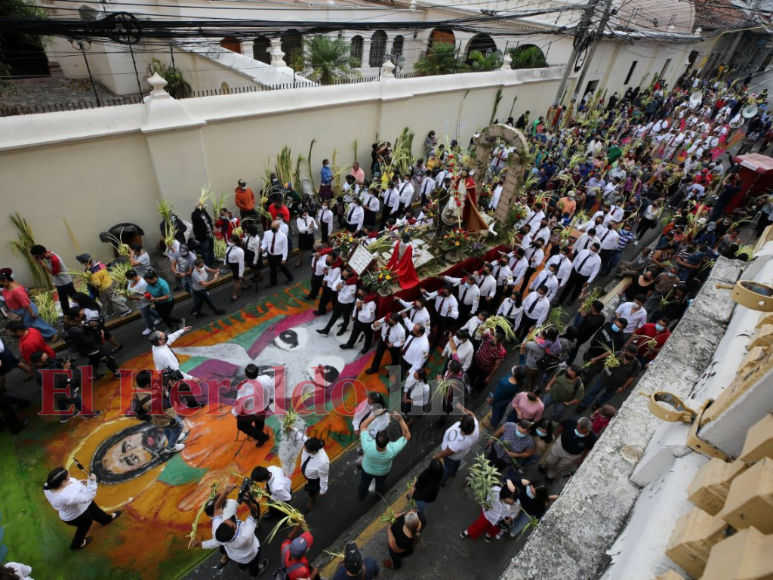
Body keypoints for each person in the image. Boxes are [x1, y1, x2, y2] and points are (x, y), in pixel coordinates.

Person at [196, 482, 268, 577]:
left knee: (242, 564)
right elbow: (255, 511)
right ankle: (254, 574)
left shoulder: (218, 532)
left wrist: (200, 544)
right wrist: (249, 502)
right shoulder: (246, 534)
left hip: (235, 556)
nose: (228, 518)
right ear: (234, 529)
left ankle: (242, 568)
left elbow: (216, 508)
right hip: (251, 555)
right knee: (253, 566)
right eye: (231, 521)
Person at [43, 466, 121, 550]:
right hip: (78, 515)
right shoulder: (67, 497)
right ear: (62, 482)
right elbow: (88, 497)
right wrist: (92, 481)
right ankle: (77, 544)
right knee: (85, 525)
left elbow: (68, 489)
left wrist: (78, 484)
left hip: (78, 508)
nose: (69, 474)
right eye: (67, 477)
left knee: (93, 508)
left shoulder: (48, 485)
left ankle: (106, 519)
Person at [359, 411, 411, 500]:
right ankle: (378, 496)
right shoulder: (392, 450)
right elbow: (407, 436)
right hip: (382, 472)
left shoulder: (367, 446)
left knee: (364, 483)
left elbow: (363, 426)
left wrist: (375, 414)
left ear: (375, 440)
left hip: (367, 470)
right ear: (388, 442)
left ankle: (362, 495)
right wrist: (401, 420)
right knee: (380, 485)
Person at [576, 344, 642, 412]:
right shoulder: (617, 354)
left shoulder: (637, 365)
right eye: (628, 353)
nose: (629, 356)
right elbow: (607, 362)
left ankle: (598, 403)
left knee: (606, 396)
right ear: (625, 350)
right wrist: (605, 368)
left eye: (631, 355)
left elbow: (632, 377)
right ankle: (584, 404)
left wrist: (623, 387)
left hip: (616, 385)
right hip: (604, 379)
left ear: (636, 354)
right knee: (593, 391)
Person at [134, 370, 187, 452]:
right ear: (147, 385)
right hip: (164, 416)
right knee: (179, 427)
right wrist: (171, 388)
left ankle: (172, 438)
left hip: (157, 417)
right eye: (153, 381)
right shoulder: (151, 401)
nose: (155, 381)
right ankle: (171, 447)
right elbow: (169, 403)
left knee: (166, 428)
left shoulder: (140, 387)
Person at [60, 310, 121, 380]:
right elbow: (88, 341)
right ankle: (117, 374)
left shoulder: (76, 324)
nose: (84, 315)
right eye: (81, 315)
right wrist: (92, 329)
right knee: (109, 359)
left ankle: (92, 376)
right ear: (76, 318)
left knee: (94, 361)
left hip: (87, 349)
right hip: (93, 348)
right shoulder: (75, 331)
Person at [0, 273, 59, 341]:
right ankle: (41, 336)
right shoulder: (6, 287)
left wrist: (31, 313)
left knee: (36, 324)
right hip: (19, 311)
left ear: (5, 280)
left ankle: (53, 333)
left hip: (27, 310)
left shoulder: (16, 290)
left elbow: (25, 303)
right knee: (30, 326)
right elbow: (5, 293)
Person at [434, 402, 479, 486]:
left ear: (461, 427)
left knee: (447, 468)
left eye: (462, 418)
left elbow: (448, 451)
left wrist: (437, 456)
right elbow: (472, 414)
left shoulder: (458, 440)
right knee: (457, 462)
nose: (461, 417)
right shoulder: (475, 425)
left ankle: (442, 481)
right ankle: (454, 472)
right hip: (461, 454)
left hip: (451, 457)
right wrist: (462, 408)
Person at [540, 416, 597, 481]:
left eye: (582, 433)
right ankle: (544, 466)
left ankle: (550, 476)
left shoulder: (593, 438)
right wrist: (553, 438)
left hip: (571, 456)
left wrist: (581, 459)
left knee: (559, 467)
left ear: (588, 430)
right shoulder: (571, 421)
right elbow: (561, 428)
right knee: (550, 460)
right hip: (560, 446)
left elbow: (587, 449)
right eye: (577, 430)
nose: (578, 433)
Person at [232, 364, 274, 447]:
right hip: (264, 406)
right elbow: (271, 388)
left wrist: (235, 413)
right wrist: (271, 398)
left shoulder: (244, 388)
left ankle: (262, 437)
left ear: (246, 374)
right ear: (258, 372)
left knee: (241, 425)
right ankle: (259, 434)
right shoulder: (266, 378)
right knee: (260, 420)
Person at [30, 245, 76, 317]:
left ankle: (81, 312)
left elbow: (55, 273)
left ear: (42, 254)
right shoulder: (48, 253)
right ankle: (67, 316)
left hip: (65, 283)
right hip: (59, 283)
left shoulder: (54, 259)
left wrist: (42, 264)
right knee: (63, 301)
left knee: (75, 298)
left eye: (37, 256)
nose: (37, 258)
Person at [296, 431, 329, 514]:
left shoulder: (322, 462)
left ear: (314, 452)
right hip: (307, 474)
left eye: (306, 450)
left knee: (312, 490)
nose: (304, 450)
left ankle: (312, 500)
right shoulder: (311, 443)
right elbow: (302, 437)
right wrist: (293, 429)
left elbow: (324, 477)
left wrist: (323, 490)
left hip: (313, 479)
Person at [484, 365, 525, 430]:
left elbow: (497, 395)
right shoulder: (520, 380)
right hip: (508, 399)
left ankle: (493, 424)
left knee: (496, 412)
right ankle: (497, 420)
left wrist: (490, 399)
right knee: (502, 410)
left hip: (499, 400)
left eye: (516, 368)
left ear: (515, 373)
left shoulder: (505, 383)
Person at [125, 269, 161, 335]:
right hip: (138, 302)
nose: (128, 280)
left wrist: (133, 298)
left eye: (129, 279)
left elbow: (146, 297)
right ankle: (159, 316)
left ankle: (151, 327)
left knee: (145, 315)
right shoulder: (133, 279)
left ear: (133, 277)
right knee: (148, 311)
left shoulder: (142, 284)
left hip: (144, 303)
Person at [261, 220, 294, 288]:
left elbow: (285, 248)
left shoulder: (283, 236)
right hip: (270, 255)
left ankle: (290, 277)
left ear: (278, 227)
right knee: (272, 269)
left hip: (279, 255)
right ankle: (273, 282)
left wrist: (284, 258)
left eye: (274, 227)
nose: (272, 229)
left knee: (283, 268)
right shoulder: (267, 233)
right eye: (272, 227)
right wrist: (262, 248)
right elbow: (265, 242)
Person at [191, 201, 216, 266]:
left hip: (209, 234)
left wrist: (211, 229)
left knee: (211, 248)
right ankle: (206, 264)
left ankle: (212, 261)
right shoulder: (195, 215)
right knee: (205, 251)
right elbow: (197, 224)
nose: (204, 208)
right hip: (203, 237)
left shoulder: (205, 213)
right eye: (203, 207)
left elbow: (209, 221)